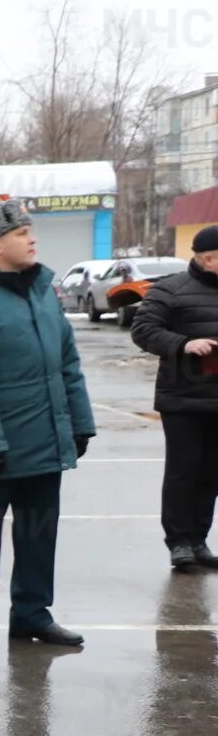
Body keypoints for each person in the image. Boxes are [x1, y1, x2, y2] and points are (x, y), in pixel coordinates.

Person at [0, 198, 95, 649]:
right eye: (22, 233)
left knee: (39, 535)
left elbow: (66, 362)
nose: (33, 238)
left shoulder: (41, 288)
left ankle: (33, 614)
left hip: (45, 441)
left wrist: (79, 423)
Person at [131, 225, 218, 571]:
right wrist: (183, 344)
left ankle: (199, 540)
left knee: (212, 474)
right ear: (209, 258)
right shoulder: (171, 289)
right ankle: (179, 542)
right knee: (184, 471)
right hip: (183, 398)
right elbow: (143, 330)